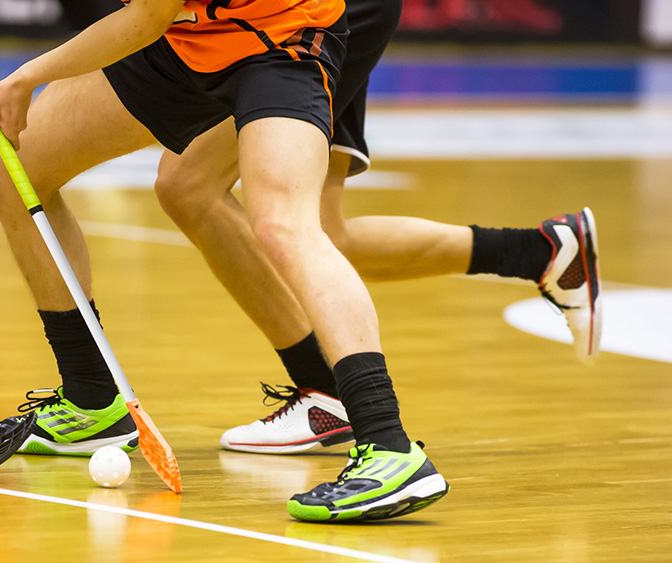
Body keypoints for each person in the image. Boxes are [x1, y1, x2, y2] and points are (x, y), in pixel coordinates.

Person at [0, 0, 453, 522]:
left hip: (278, 38)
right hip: (182, 38)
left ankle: (388, 445)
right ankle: (91, 400)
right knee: (13, 170)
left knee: (284, 225)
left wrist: (27, 76)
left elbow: (147, 16)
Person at [149, 0, 601, 456]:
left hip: (306, 18)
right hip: (310, 16)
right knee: (324, 237)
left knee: (194, 186)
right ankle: (540, 252)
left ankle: (326, 391)